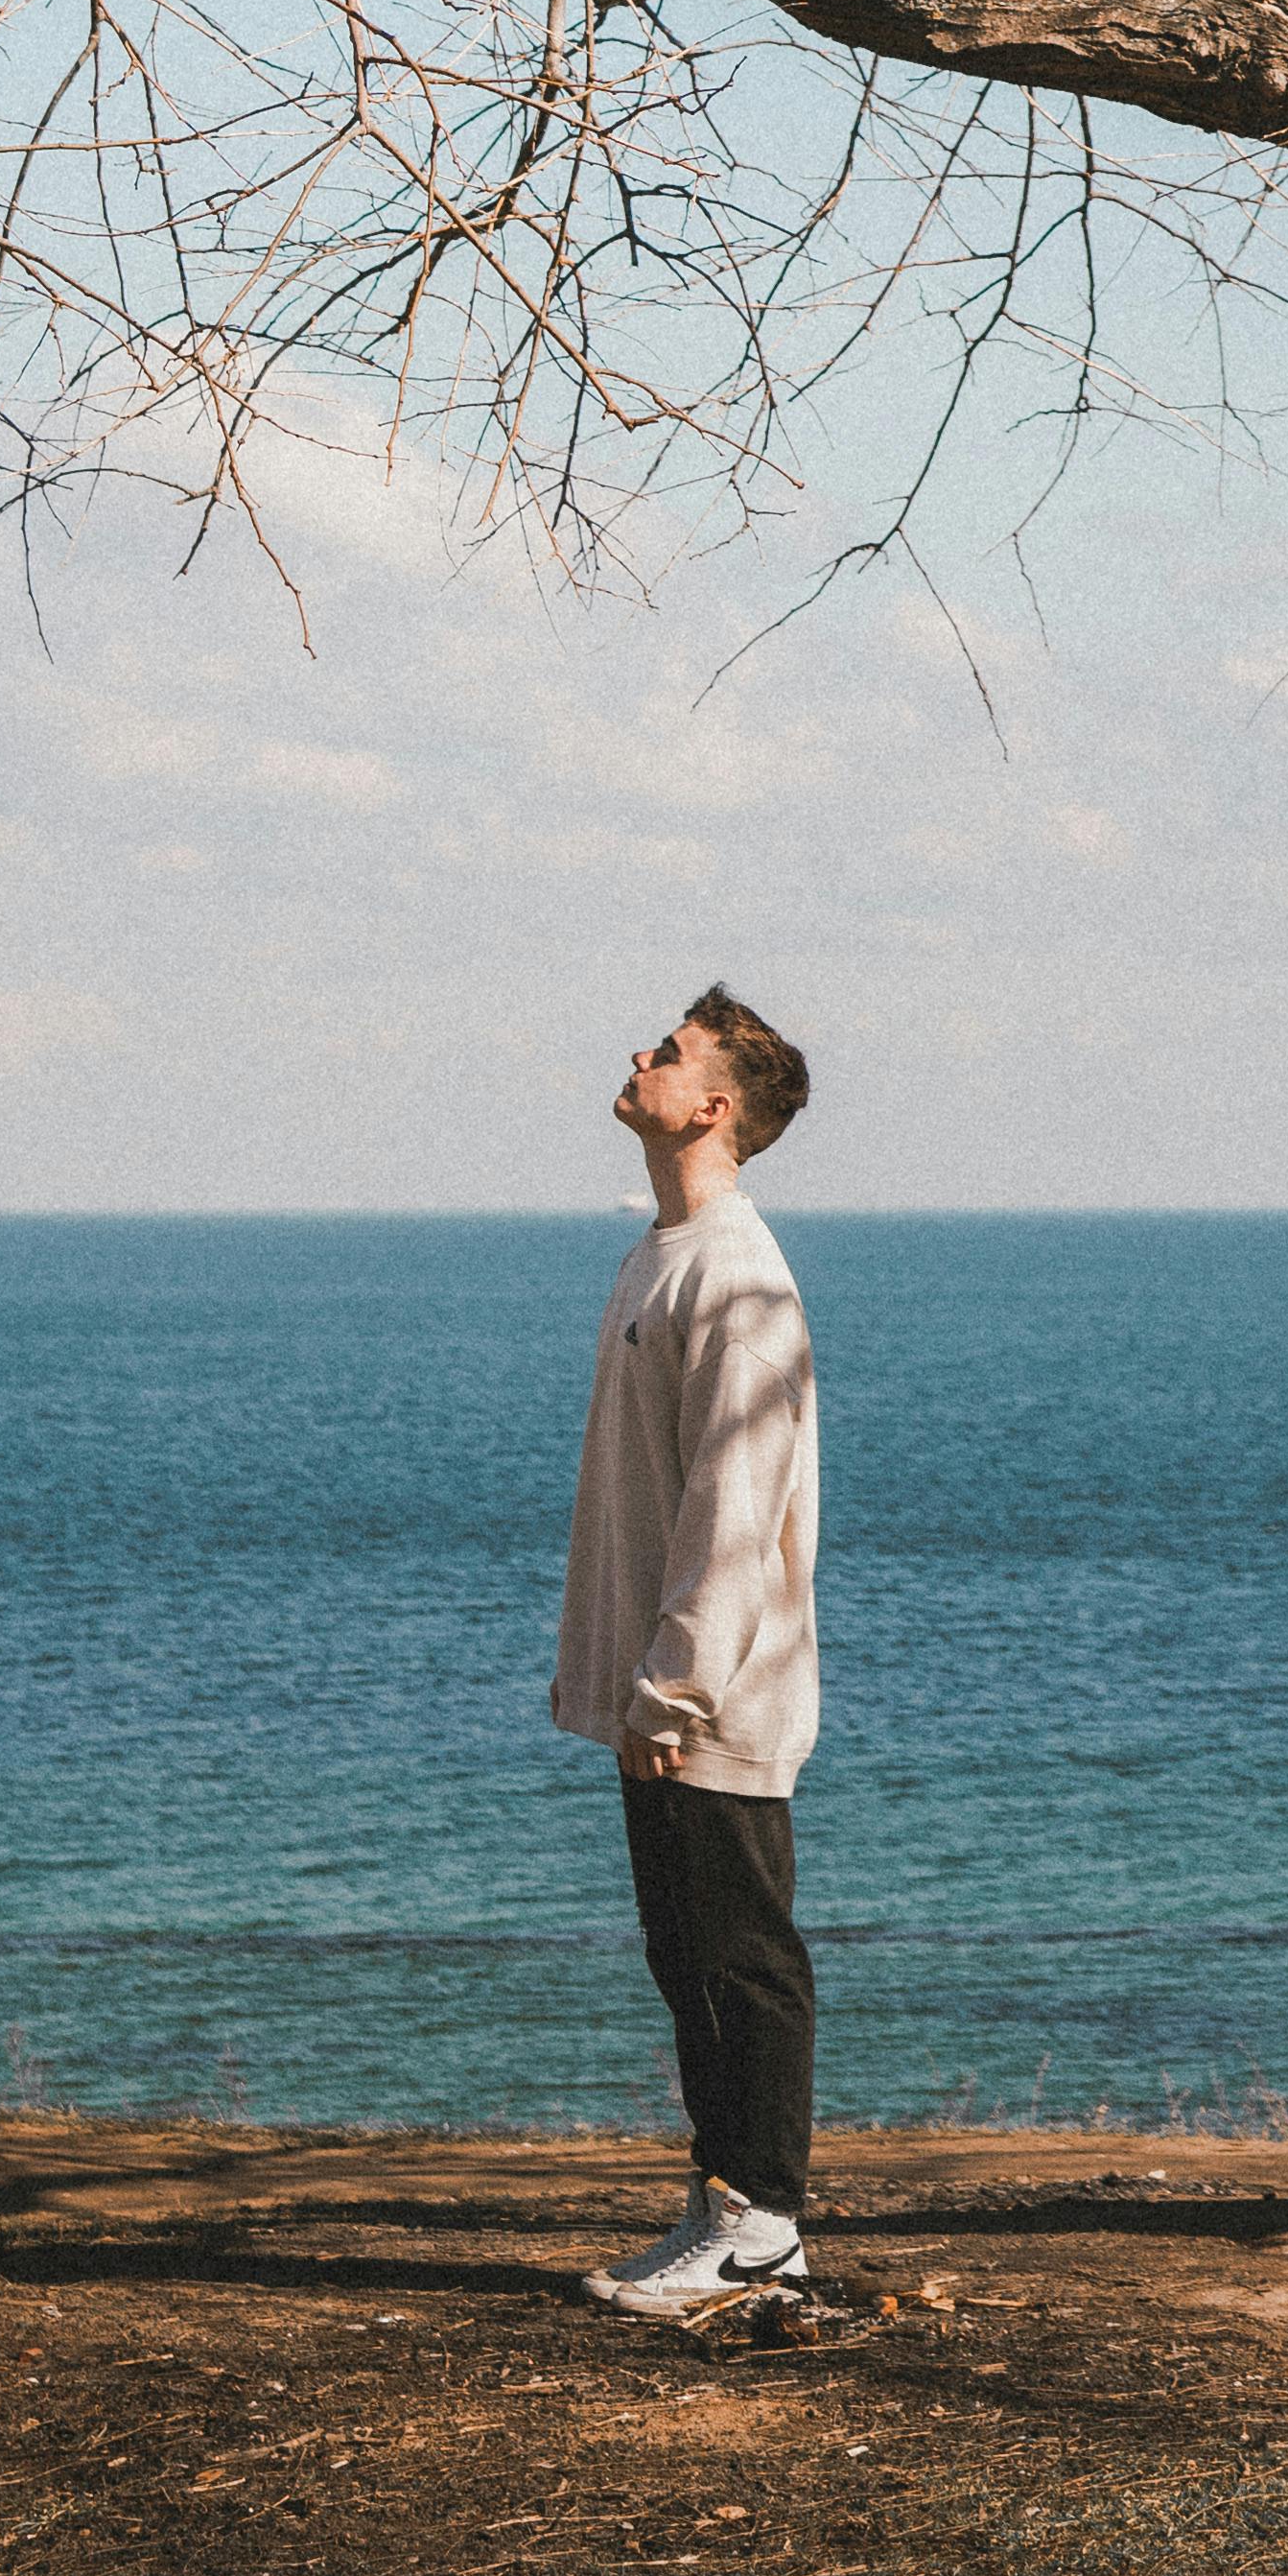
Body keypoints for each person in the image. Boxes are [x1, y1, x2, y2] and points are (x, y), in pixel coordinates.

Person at [551, 981, 822, 2318]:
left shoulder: (736, 1271)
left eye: (664, 1050)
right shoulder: (662, 1251)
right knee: (686, 1956)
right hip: (663, 1691)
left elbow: (733, 1495)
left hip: (715, 1692)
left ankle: (766, 2222)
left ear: (712, 1104)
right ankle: (722, 2204)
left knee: (739, 1955)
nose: (638, 1055)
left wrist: (677, 1683)